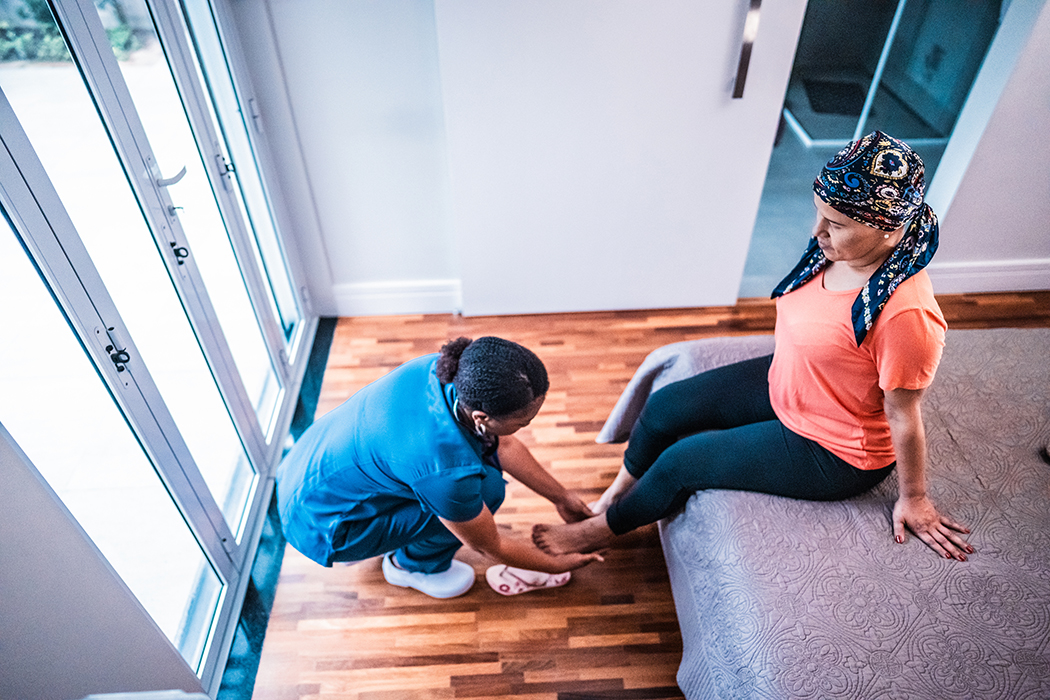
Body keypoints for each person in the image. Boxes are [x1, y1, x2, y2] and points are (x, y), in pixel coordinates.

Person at [534, 131, 974, 562]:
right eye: (819, 214)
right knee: (666, 404)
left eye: (836, 224)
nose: (818, 231)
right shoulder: (834, 251)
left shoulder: (906, 316)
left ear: (889, 231)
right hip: (792, 381)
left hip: (835, 449)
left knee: (679, 463)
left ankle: (596, 532)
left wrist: (914, 498)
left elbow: (904, 413)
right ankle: (614, 496)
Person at [277, 336, 602, 599]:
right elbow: (488, 544)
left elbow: (504, 445)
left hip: (305, 469)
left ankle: (397, 535)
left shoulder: (443, 371)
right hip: (324, 526)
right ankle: (412, 567)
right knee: (487, 490)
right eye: (523, 421)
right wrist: (554, 565)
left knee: (474, 480)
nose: (526, 425)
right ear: (482, 417)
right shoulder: (446, 471)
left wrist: (561, 497)